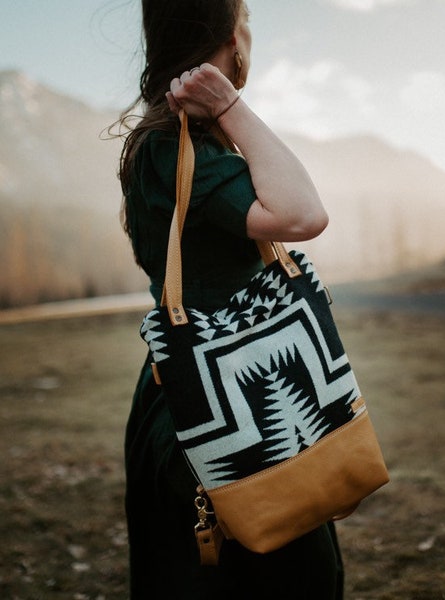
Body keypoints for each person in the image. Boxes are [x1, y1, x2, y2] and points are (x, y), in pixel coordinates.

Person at [118, 1, 344, 598]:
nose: (251, 34)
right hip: (217, 409)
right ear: (228, 34)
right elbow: (302, 214)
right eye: (246, 18)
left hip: (222, 390)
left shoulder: (176, 140)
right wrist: (232, 106)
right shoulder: (174, 144)